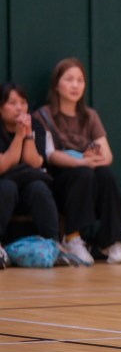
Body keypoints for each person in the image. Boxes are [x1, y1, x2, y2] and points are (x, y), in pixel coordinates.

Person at [33, 58, 121, 265]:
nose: (75, 85)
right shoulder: (43, 115)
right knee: (83, 173)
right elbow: (50, 154)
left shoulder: (90, 116)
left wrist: (95, 158)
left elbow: (107, 155)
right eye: (69, 80)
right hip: (58, 181)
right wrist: (81, 162)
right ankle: (72, 238)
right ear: (56, 85)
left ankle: (112, 240)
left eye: (80, 80)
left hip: (88, 178)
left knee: (105, 174)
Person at [0, 82, 61, 267]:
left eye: (23, 102)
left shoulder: (36, 126)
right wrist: (18, 136)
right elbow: (3, 165)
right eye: (12, 103)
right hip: (4, 188)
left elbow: (34, 163)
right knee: (7, 187)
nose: (19, 108)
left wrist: (27, 135)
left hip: (26, 187)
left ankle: (53, 244)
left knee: (39, 187)